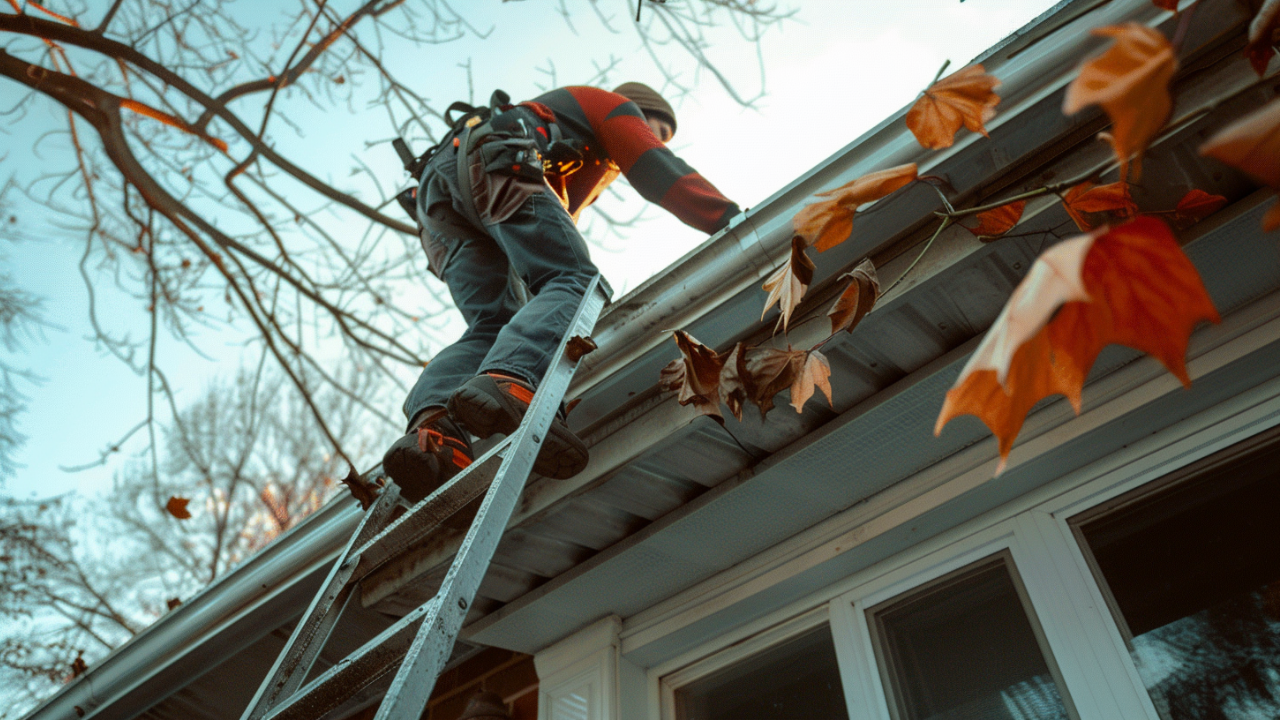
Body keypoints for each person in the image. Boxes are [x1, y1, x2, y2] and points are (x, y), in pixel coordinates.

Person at [382, 82, 740, 502]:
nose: (651, 137)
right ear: (641, 110)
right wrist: (729, 219)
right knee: (573, 281)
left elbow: (535, 237)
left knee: (493, 324)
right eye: (654, 129)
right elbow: (653, 166)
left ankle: (434, 431)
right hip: (491, 161)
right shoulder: (608, 105)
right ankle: (511, 381)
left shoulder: (575, 154)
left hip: (437, 206)